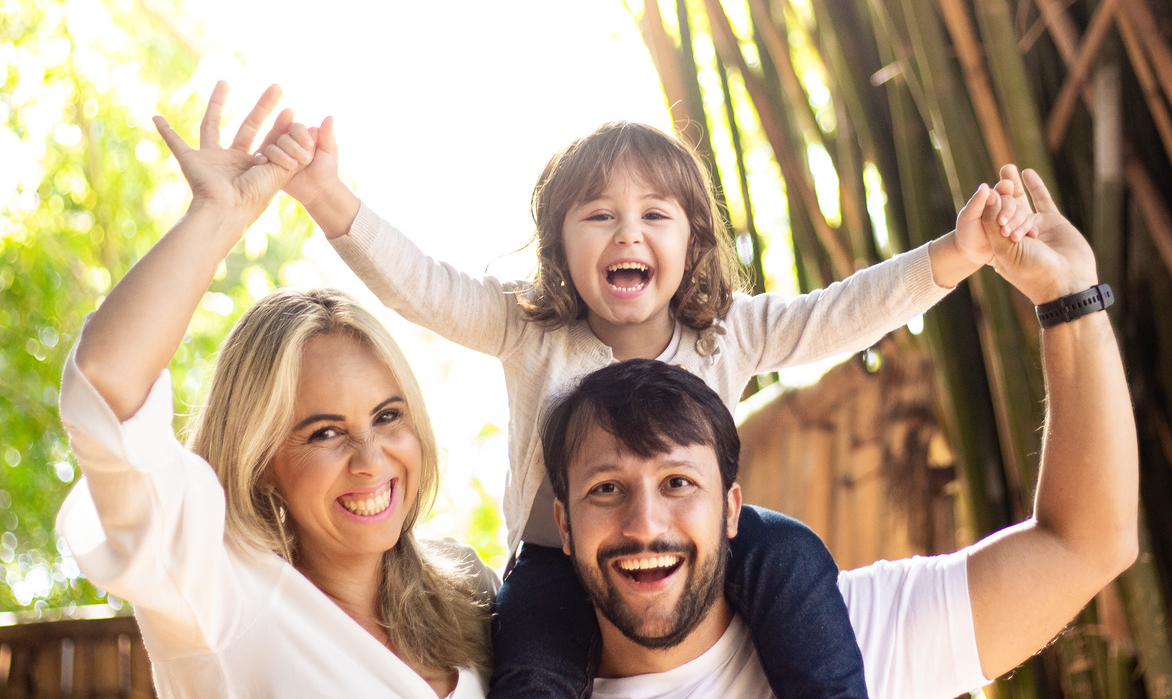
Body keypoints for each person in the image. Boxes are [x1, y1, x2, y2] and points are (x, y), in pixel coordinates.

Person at [264, 117, 1035, 697]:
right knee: (531, 657)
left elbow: (842, 313)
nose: (627, 231)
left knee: (793, 553)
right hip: (560, 562)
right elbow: (423, 284)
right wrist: (329, 197)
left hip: (710, 543)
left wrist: (957, 255)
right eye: (598, 216)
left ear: (693, 242)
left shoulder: (727, 333)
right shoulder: (528, 331)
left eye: (655, 216)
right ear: (559, 245)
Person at [539, 168, 1138, 698]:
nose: (645, 524)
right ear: (563, 523)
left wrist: (1070, 297)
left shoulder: (841, 635)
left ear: (731, 508)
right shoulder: (506, 676)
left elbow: (1084, 544)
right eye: (607, 490)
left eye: (677, 482)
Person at [54, 83, 493, 698]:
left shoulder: (472, 596)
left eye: (388, 417)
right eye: (325, 432)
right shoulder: (218, 595)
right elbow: (107, 387)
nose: (372, 460)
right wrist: (215, 215)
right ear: (261, 463)